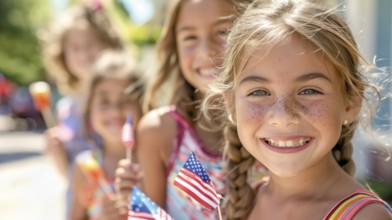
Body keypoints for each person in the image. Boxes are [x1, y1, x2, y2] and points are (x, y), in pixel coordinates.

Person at [201, 0, 392, 219]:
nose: (283, 117)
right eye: (259, 92)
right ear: (230, 104)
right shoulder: (241, 203)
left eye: (309, 90)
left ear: (350, 103)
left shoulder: (366, 217)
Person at [114, 0, 250, 219]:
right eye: (190, 37)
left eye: (223, 31)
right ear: (174, 47)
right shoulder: (158, 132)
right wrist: (133, 202)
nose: (206, 51)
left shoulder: (277, 126)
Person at [70, 50, 144, 220]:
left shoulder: (152, 160)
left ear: (142, 105)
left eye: (126, 100)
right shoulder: (85, 167)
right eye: (104, 101)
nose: (115, 110)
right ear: (89, 110)